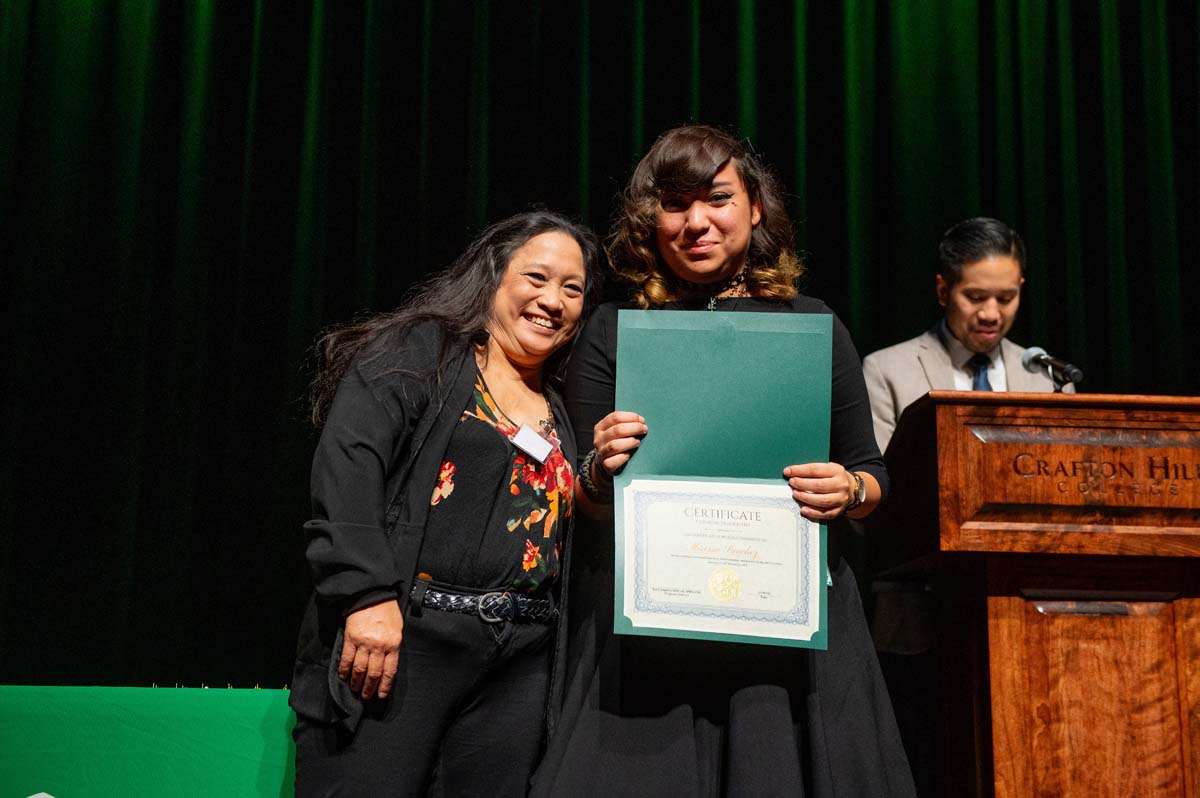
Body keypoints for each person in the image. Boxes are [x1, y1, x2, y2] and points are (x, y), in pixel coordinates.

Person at [531, 126, 916, 797]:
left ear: (755, 207)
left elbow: (873, 475)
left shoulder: (811, 324)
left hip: (785, 638)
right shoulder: (612, 330)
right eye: (675, 204)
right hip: (654, 636)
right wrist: (599, 467)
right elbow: (584, 504)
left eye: (717, 198)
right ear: (650, 221)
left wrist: (848, 489)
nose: (696, 222)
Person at [288, 210, 602, 797]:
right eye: (536, 277)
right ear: (492, 277)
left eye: (572, 288)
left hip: (519, 662)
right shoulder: (423, 351)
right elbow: (349, 464)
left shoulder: (560, 405)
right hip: (407, 641)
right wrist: (366, 595)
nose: (552, 300)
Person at [862, 216, 1067, 454]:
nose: (991, 314)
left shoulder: (1047, 378)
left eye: (1005, 298)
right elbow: (881, 473)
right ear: (943, 291)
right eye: (976, 297)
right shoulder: (886, 372)